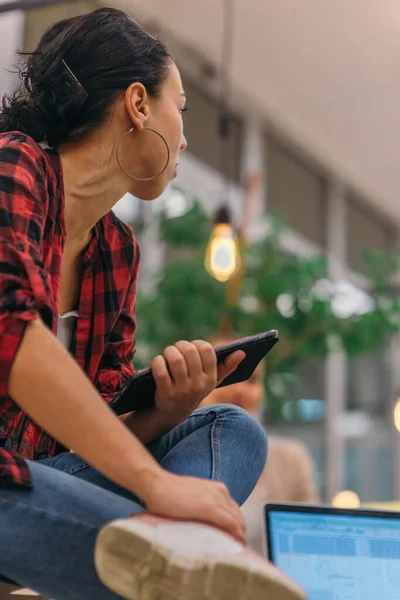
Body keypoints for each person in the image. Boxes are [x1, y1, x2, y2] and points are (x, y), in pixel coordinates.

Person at [0, 8, 307, 600]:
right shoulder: (16, 164)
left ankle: (175, 550)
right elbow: (11, 333)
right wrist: (156, 486)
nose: (185, 137)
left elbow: (91, 428)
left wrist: (167, 409)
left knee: (230, 427)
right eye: (181, 109)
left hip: (44, 484)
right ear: (139, 104)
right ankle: (179, 555)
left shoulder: (118, 249)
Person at [201, 337, 320, 555]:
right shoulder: (176, 454)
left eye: (252, 380)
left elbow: (310, 538)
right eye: (228, 378)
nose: (240, 390)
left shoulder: (292, 459)